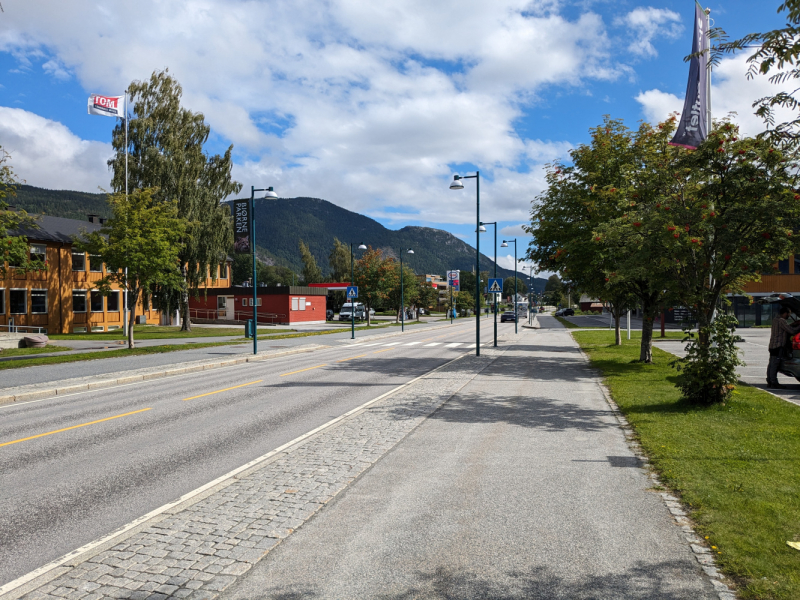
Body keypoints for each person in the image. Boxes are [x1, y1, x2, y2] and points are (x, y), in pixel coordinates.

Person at [767, 306, 800, 388]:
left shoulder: (775, 320)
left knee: (771, 364)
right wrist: (799, 326)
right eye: (788, 314)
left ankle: (770, 380)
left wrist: (793, 324)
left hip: (772, 345)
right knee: (775, 364)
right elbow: (791, 331)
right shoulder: (782, 321)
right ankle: (774, 382)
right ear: (785, 313)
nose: (789, 315)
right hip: (778, 346)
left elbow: (785, 328)